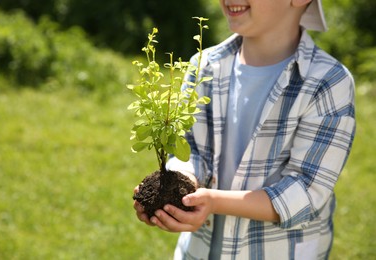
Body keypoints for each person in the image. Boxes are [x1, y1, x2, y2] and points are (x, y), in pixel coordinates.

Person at [133, 0, 356, 259]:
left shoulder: (328, 82)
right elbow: (191, 148)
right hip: (200, 250)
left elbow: (305, 191)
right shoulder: (204, 66)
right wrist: (183, 187)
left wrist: (214, 202)